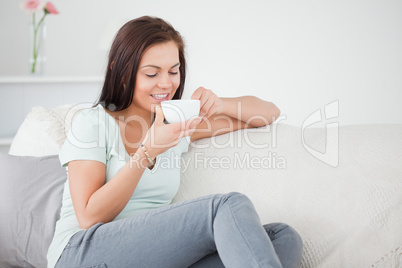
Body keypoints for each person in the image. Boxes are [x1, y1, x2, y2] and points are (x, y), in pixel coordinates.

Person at [47, 16, 303, 268]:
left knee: (282, 237)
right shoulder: (92, 123)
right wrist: (147, 152)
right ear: (120, 71)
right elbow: (89, 216)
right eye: (151, 73)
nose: (166, 83)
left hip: (151, 257)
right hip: (81, 252)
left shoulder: (176, 125)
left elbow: (268, 114)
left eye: (173, 71)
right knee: (227, 206)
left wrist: (220, 103)